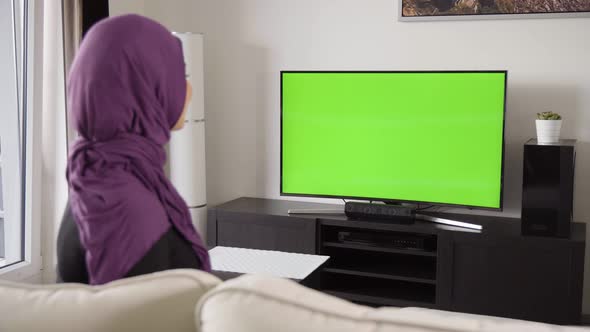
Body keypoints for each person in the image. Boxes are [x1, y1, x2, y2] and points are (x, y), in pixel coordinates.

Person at [57, 14, 211, 285]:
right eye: (179, 76)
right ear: (143, 89)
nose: (188, 89)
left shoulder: (94, 176)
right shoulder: (126, 211)